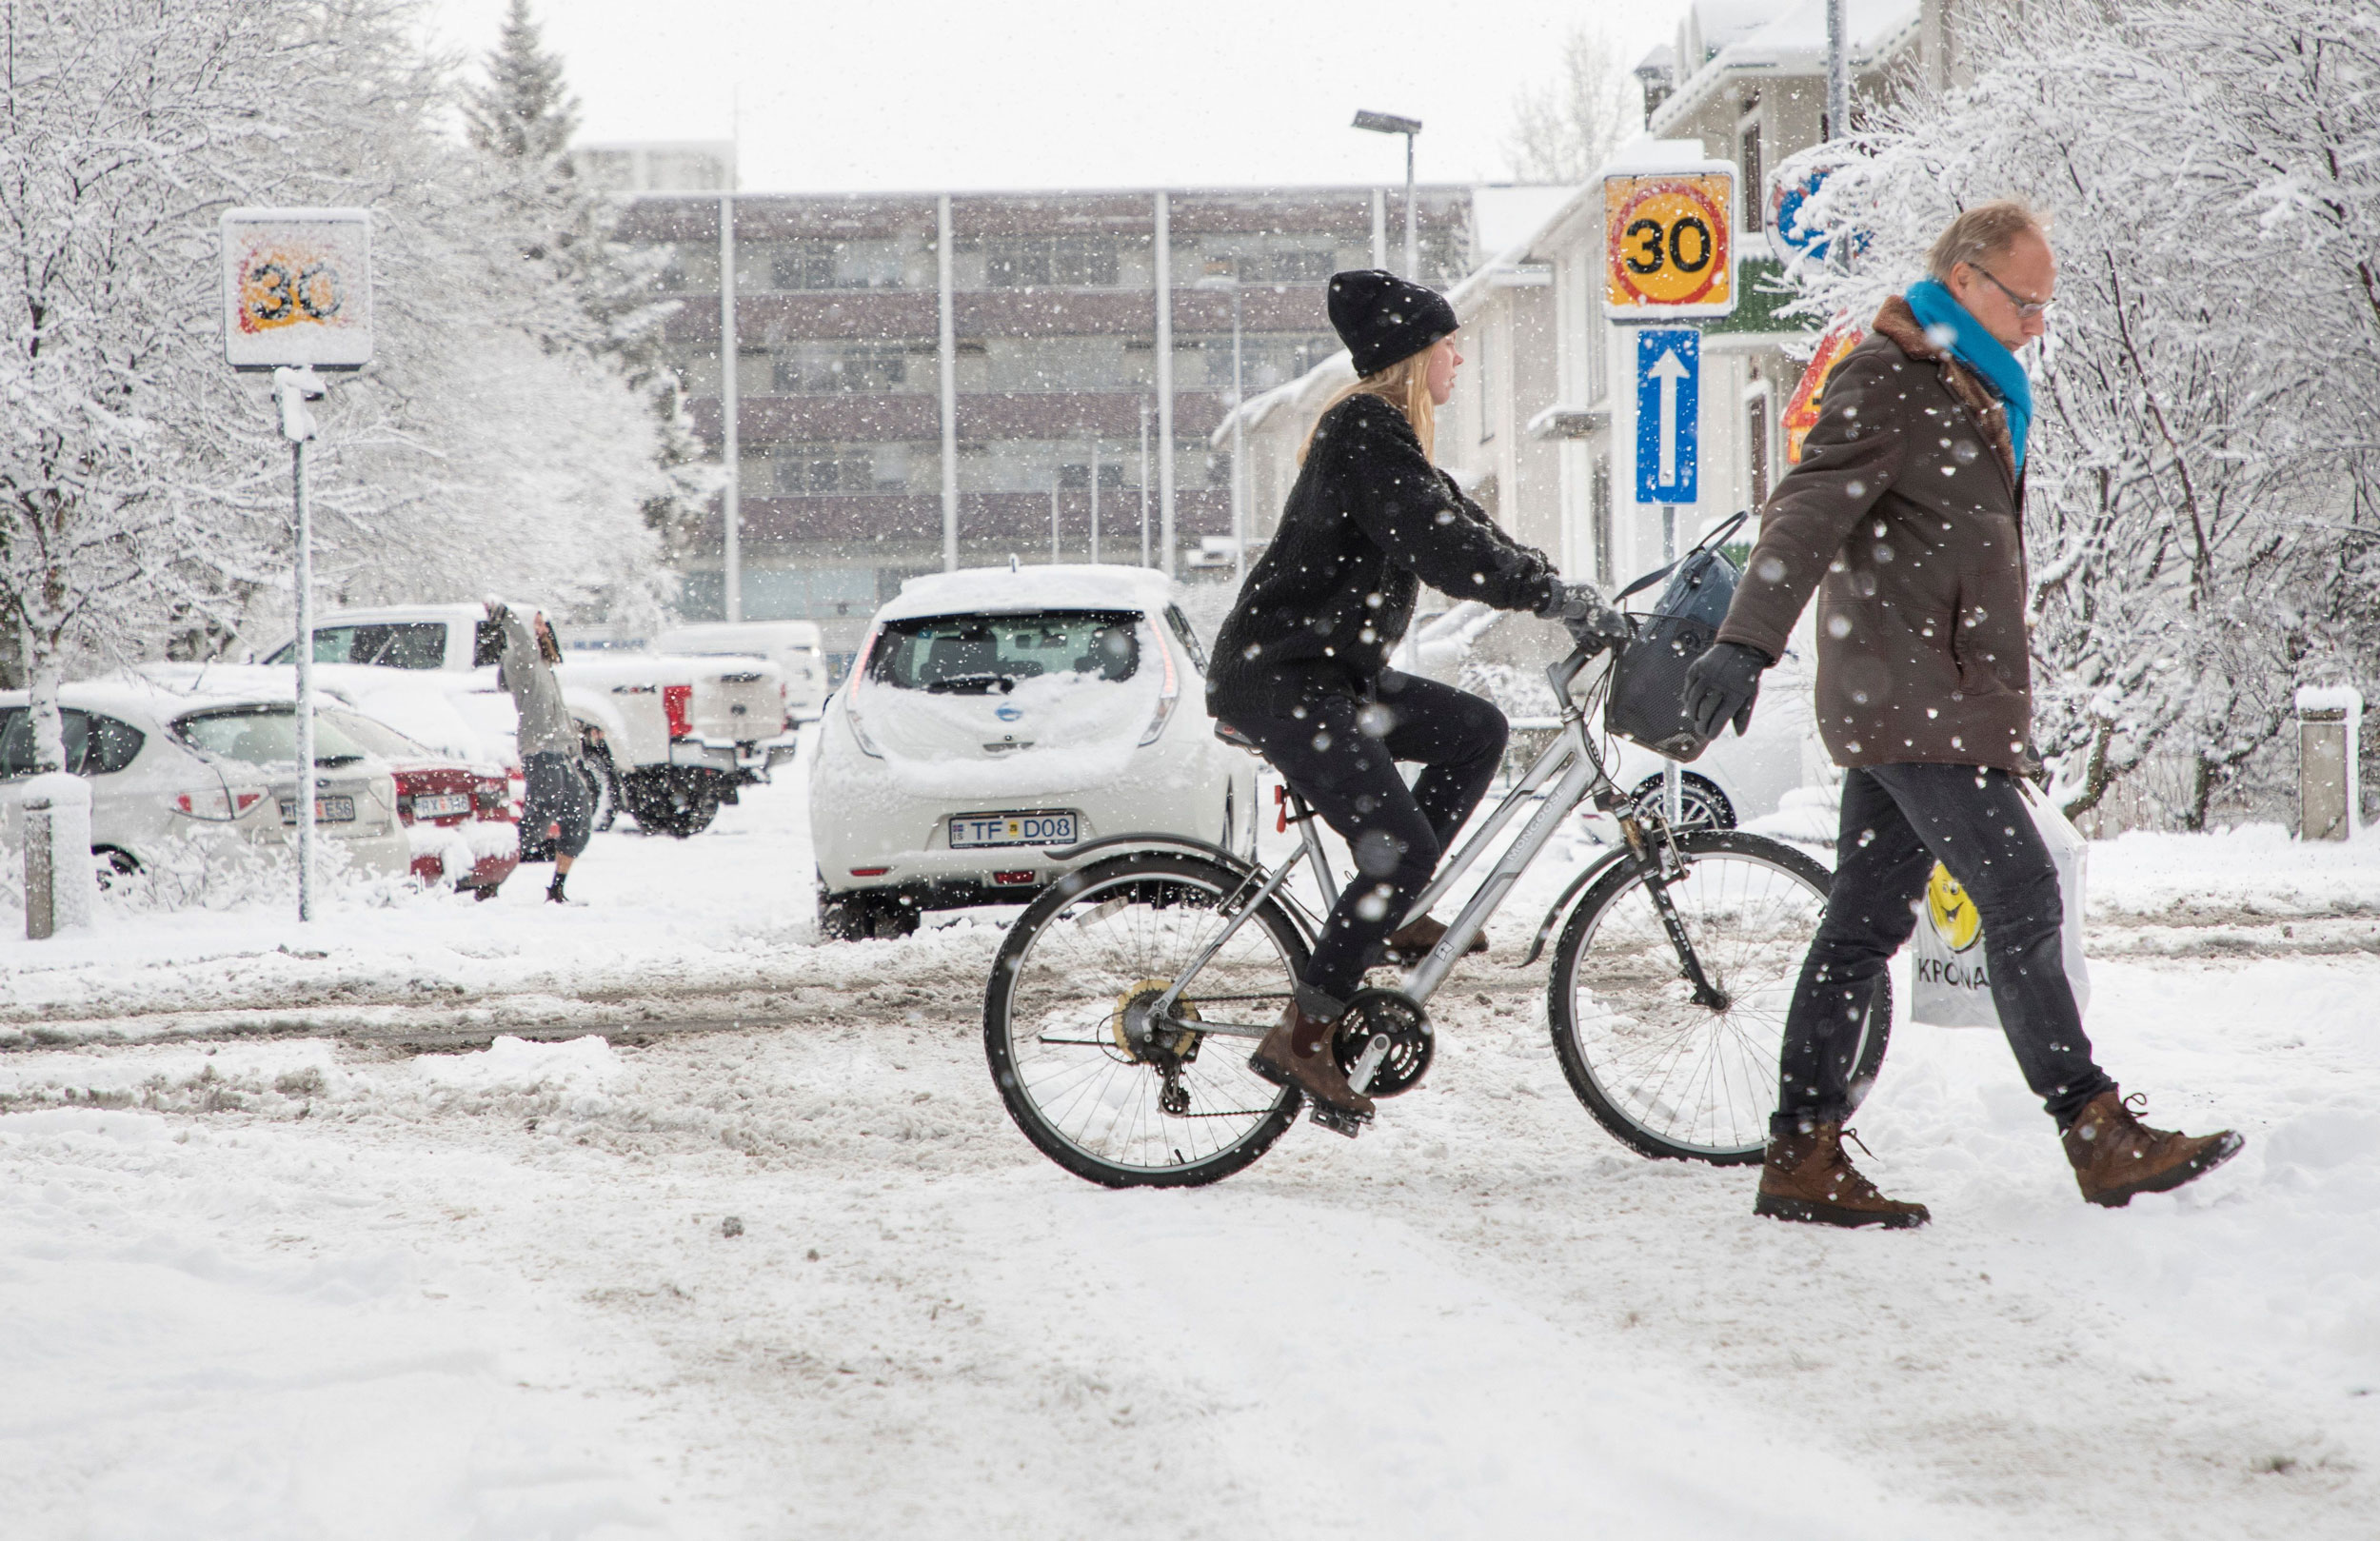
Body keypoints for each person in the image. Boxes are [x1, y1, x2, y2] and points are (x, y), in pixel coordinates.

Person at [1684, 201, 2241, 1227]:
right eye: (2025, 301)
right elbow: (1803, 509)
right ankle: (2094, 1126)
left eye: (2044, 307)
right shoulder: (1890, 378)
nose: (2037, 322)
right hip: (1913, 701)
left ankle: (1800, 1153)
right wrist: (1745, 636)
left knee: (1860, 923)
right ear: (1970, 279)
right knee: (2021, 890)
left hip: (1928, 697)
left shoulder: (1972, 386)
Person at [1208, 269, 1627, 1134]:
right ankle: (1306, 1031)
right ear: (1412, 355)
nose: (1461, 357)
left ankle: (1393, 911)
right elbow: (1440, 545)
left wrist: (1555, 587)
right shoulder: (1365, 426)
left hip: (1327, 674)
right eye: (1448, 344)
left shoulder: (1390, 435)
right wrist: (1537, 597)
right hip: (1284, 677)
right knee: (1396, 848)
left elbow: (1462, 520)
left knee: (1477, 730)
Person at [486, 598, 591, 904]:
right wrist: (508, 619)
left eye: (544, 623)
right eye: (537, 623)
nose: (544, 629)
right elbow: (522, 642)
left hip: (559, 749)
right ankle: (490, 878)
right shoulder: (522, 659)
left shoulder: (545, 666)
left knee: (579, 813)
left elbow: (555, 710)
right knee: (538, 819)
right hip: (539, 750)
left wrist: (577, 734)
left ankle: (557, 887)